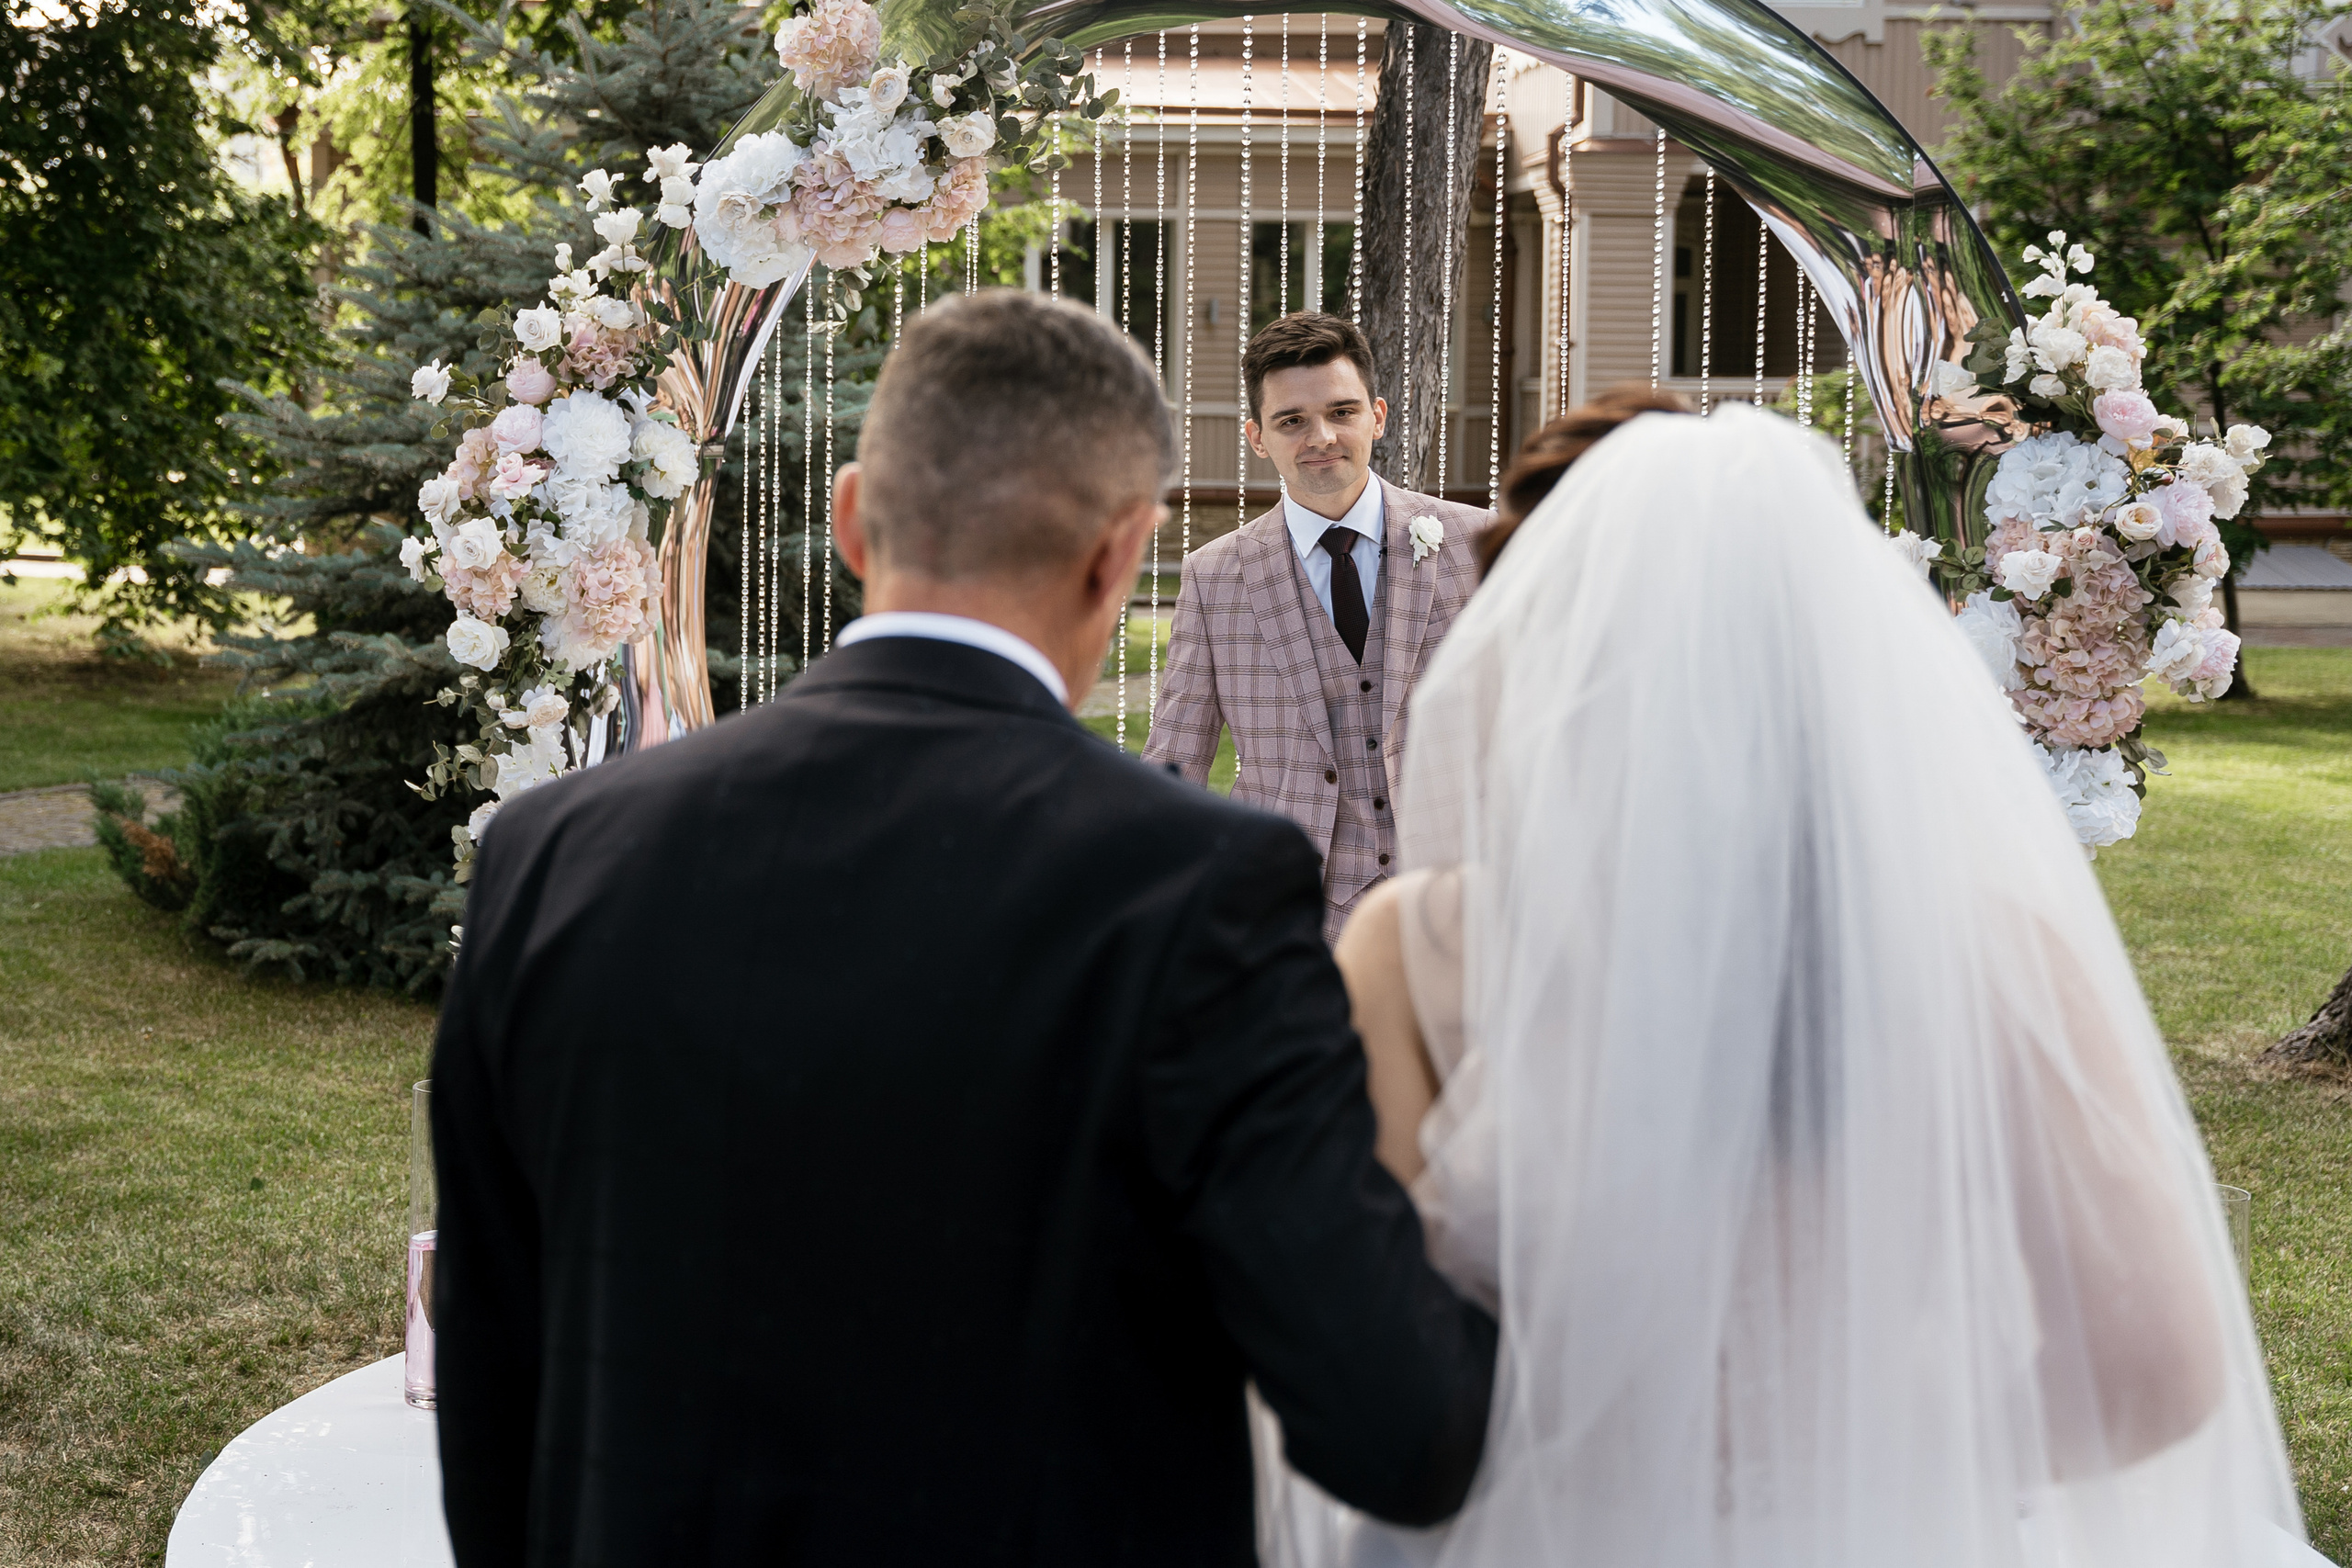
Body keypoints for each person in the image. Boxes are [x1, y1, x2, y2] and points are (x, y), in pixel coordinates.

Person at [429, 290, 1498, 1568]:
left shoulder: (548, 853)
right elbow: (1400, 1424)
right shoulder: (1197, 891)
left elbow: (491, 1386)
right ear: (1121, 553)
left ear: (849, 521)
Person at [1270, 401, 2317, 1567]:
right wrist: (1861, 1464)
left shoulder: (1420, 948)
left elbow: (1365, 1355)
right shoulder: (1988, 945)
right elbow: (2154, 1367)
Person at [1144, 311, 1490, 943]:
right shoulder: (1214, 577)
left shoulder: (1474, 543)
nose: (1322, 436)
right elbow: (1176, 760)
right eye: (1292, 420)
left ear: (1377, 416)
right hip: (1286, 921)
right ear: (1257, 436)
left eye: (1342, 411)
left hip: (1455, 907)